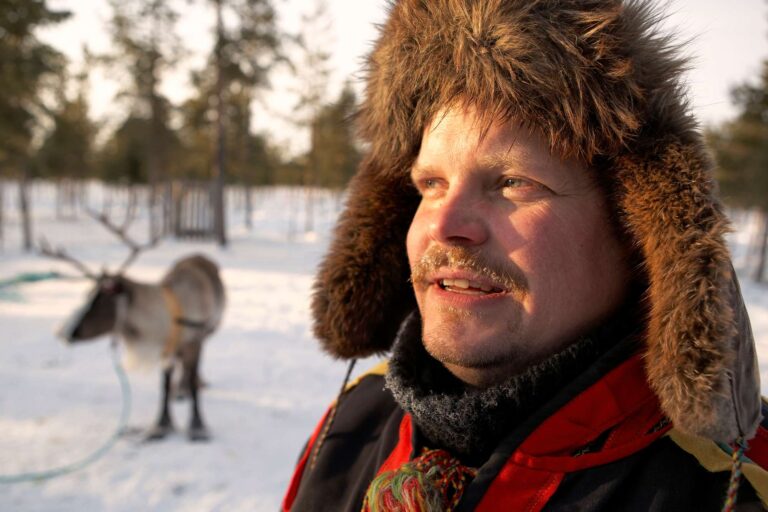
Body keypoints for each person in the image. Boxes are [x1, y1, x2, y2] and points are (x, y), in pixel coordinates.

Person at [283, 1, 768, 510]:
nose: (446, 226)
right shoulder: (351, 426)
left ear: (636, 232)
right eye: (431, 184)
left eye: (513, 183)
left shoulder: (723, 490)